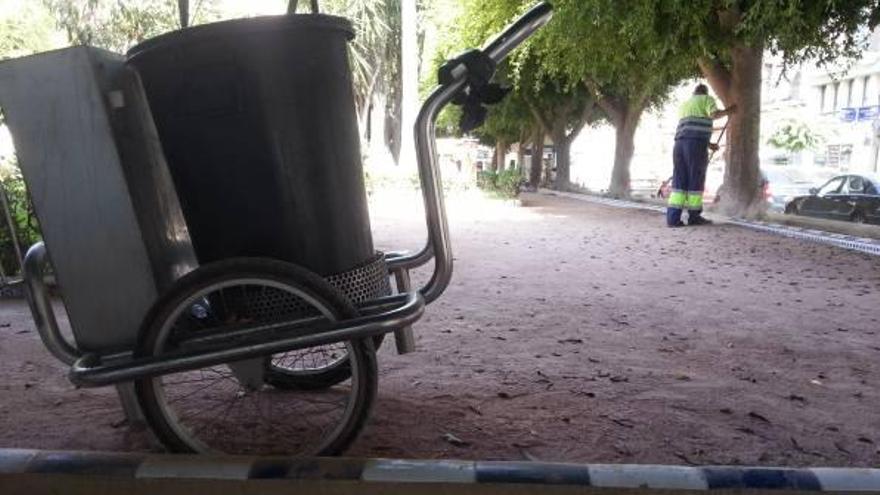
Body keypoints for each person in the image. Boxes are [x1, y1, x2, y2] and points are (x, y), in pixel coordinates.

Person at [666, 84, 736, 227]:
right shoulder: (706, 99)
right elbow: (714, 114)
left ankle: (673, 219)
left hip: (679, 145)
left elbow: (690, 129)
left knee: (679, 181)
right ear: (704, 92)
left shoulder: (685, 105)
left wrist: (709, 144)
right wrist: (730, 111)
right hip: (695, 146)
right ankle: (694, 217)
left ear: (694, 92)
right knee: (695, 180)